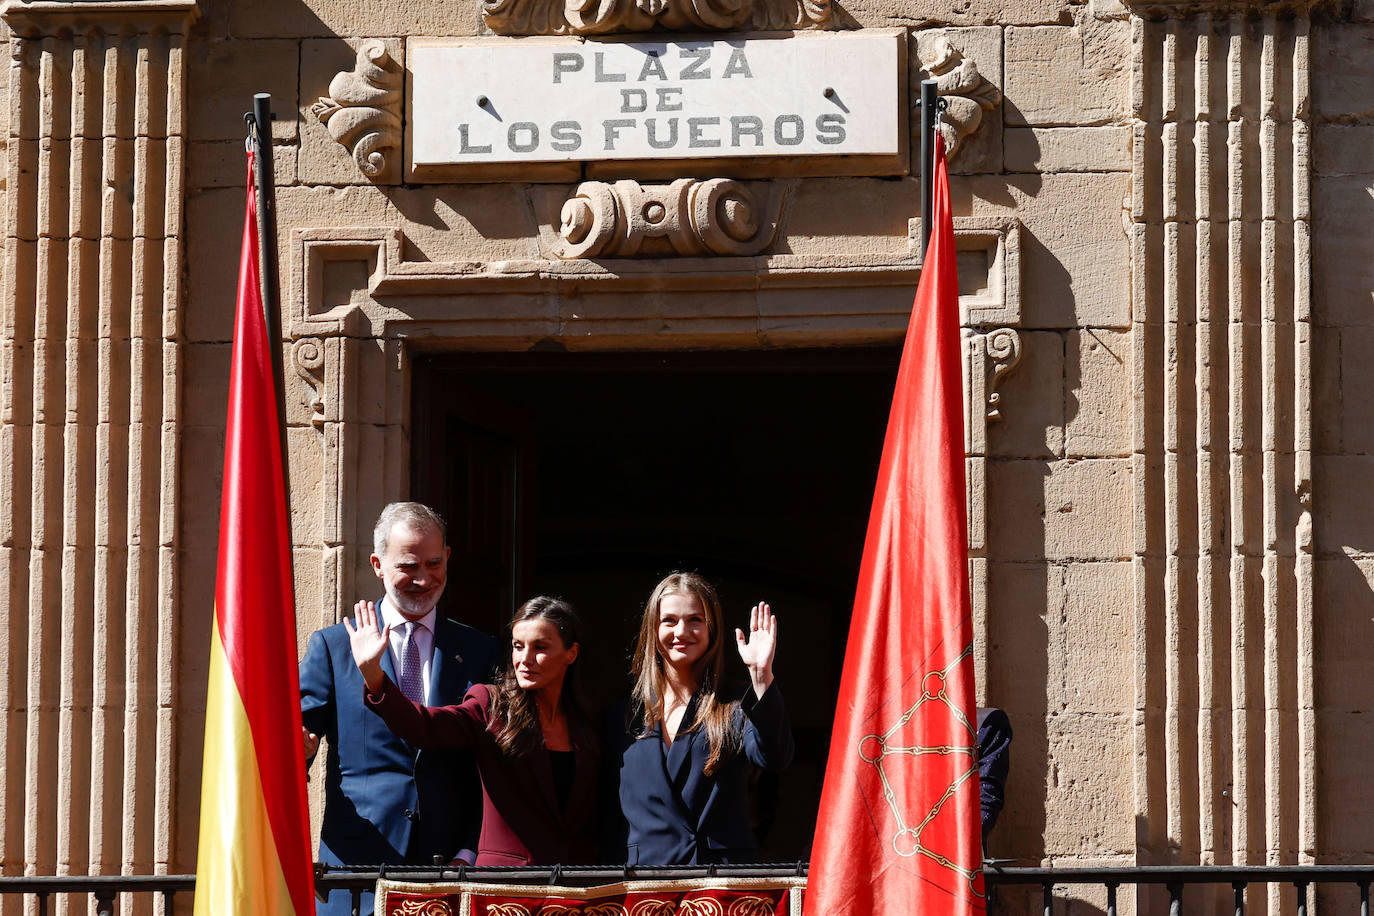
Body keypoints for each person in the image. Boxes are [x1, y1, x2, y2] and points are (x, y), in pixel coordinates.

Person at [299, 502, 499, 916]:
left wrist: (470, 847)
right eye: (408, 565)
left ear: (448, 559)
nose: (423, 579)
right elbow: (296, 750)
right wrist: (296, 750)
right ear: (378, 564)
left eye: (434, 563)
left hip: (450, 871)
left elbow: (493, 763)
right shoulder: (334, 647)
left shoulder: (479, 650)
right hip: (356, 874)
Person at [352, 595, 601, 866]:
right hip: (503, 891)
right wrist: (373, 674)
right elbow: (423, 726)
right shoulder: (490, 705)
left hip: (574, 888)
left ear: (571, 654)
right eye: (518, 647)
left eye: (540, 647)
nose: (525, 659)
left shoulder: (587, 723)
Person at [614, 572, 794, 865]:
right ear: (652, 629)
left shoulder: (734, 704)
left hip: (719, 883)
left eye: (695, 620)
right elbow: (609, 816)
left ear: (712, 629)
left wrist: (762, 678)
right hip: (645, 885)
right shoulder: (624, 715)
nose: (681, 631)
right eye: (669, 621)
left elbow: (774, 757)